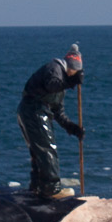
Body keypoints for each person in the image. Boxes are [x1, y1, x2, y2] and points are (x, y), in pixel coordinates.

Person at [18, 48, 86, 198]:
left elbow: (58, 112)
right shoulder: (55, 68)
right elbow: (51, 85)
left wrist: (72, 127)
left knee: (38, 150)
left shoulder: (62, 84)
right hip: (33, 110)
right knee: (46, 148)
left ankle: (37, 186)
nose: (73, 74)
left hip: (37, 112)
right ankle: (51, 188)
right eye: (73, 70)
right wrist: (70, 82)